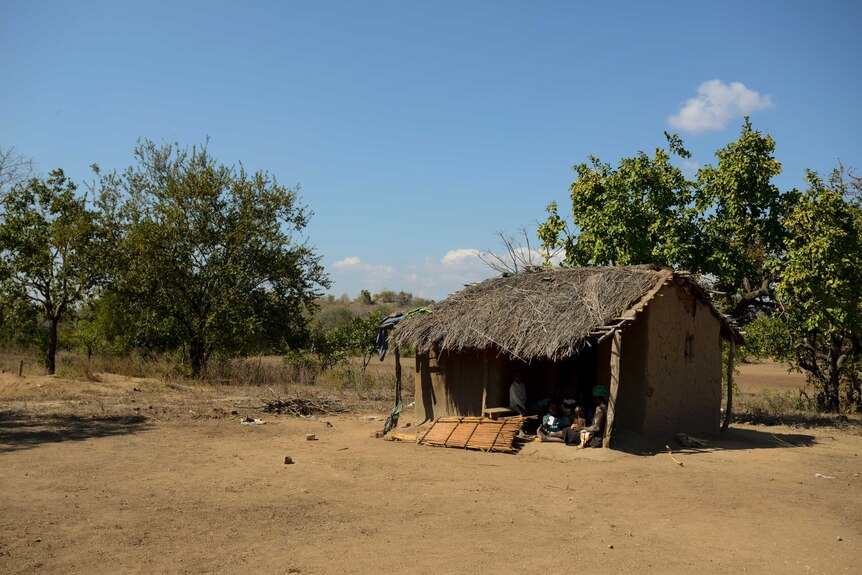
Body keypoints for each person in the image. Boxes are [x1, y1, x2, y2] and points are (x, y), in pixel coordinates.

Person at [539, 385, 608, 447]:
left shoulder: (599, 408)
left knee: (569, 431)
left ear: (596, 397)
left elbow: (596, 428)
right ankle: (547, 437)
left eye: (594, 397)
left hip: (593, 439)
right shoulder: (605, 407)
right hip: (594, 436)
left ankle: (549, 435)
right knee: (570, 433)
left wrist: (581, 428)